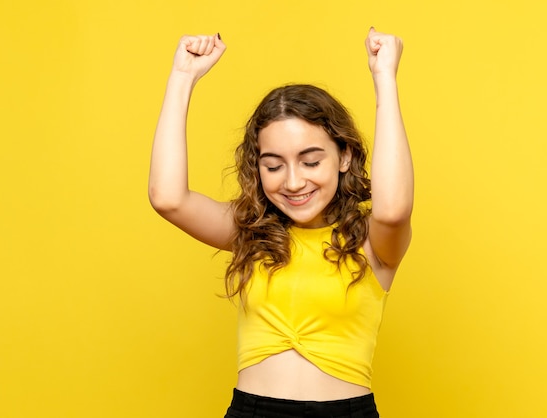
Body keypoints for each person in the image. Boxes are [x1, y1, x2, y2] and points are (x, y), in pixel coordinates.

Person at [149, 27, 413, 418]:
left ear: (344, 157)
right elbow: (168, 198)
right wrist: (183, 76)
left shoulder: (373, 245)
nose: (293, 182)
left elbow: (393, 209)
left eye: (311, 161)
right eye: (273, 165)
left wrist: (385, 80)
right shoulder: (251, 233)